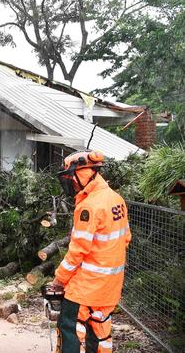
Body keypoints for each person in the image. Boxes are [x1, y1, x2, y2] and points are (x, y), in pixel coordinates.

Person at [52, 150, 131, 352]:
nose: (71, 183)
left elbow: (78, 251)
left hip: (87, 288)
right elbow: (126, 238)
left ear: (84, 173)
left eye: (71, 178)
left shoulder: (89, 206)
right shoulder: (116, 199)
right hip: (111, 286)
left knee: (69, 327)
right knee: (100, 331)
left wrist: (60, 279)